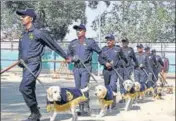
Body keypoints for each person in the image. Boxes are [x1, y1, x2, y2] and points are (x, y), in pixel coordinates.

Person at [16, 8, 70, 121]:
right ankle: (34, 115)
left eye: (24, 16)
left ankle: (35, 112)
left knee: (24, 87)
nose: (22, 18)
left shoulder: (39, 33)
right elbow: (20, 50)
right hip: (25, 65)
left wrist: (65, 56)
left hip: (34, 63)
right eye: (22, 16)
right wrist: (19, 60)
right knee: (29, 88)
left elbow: (53, 45)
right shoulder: (23, 34)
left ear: (30, 18)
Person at [67, 24, 101, 116]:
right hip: (76, 68)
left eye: (80, 30)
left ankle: (86, 107)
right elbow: (68, 56)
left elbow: (100, 52)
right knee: (77, 88)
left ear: (84, 31)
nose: (78, 32)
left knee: (84, 87)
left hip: (86, 67)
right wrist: (71, 59)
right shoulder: (73, 43)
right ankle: (81, 108)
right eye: (77, 30)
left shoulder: (90, 42)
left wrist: (105, 62)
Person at [98, 34, 128, 107]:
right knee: (107, 86)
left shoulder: (118, 49)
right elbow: (100, 59)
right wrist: (105, 63)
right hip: (106, 70)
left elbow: (124, 59)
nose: (108, 41)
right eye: (107, 40)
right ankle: (108, 101)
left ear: (114, 41)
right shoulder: (104, 49)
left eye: (110, 40)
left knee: (113, 85)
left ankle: (113, 101)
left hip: (115, 70)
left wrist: (118, 63)